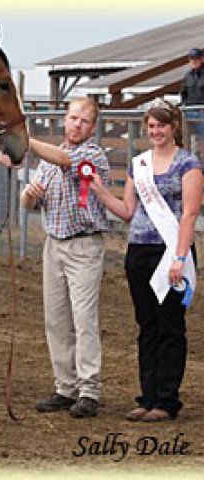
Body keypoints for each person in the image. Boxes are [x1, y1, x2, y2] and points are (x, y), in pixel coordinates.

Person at [0, 97, 110, 418]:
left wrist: (25, 141)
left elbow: (64, 160)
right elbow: (29, 199)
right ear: (65, 119)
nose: (77, 125)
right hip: (55, 245)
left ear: (93, 126)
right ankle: (65, 386)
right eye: (73, 118)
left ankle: (89, 389)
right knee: (56, 319)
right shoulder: (49, 159)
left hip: (84, 246)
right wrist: (29, 197)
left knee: (83, 319)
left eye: (84, 121)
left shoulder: (92, 155)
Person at [90, 98, 202, 422]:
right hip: (139, 251)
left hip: (171, 252)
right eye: (151, 126)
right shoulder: (137, 165)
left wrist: (179, 257)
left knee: (170, 326)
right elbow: (128, 211)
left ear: (173, 127)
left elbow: (190, 214)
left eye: (161, 126)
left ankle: (166, 401)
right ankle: (147, 396)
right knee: (147, 326)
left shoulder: (188, 164)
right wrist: (101, 192)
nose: (155, 131)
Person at [180, 47, 204, 138]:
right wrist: (184, 105)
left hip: (202, 112)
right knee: (190, 140)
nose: (193, 61)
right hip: (189, 112)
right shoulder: (188, 75)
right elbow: (183, 93)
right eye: (191, 59)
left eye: (196, 58)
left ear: (202, 59)